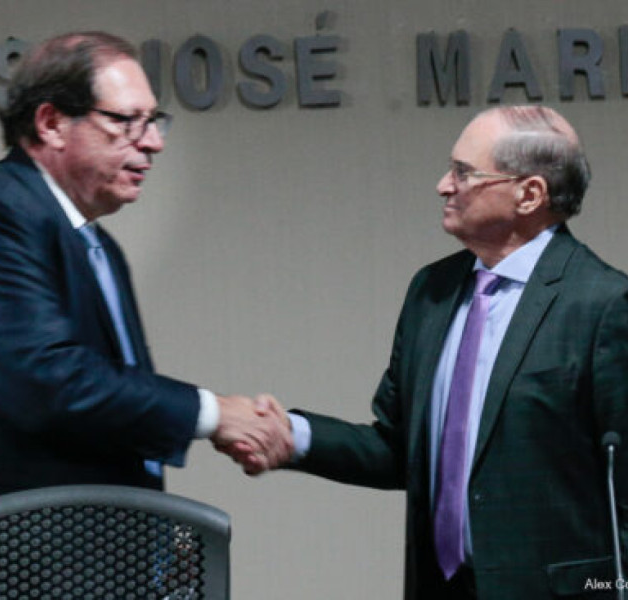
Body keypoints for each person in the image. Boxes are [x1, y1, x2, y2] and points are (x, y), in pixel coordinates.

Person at [0, 31, 291, 600]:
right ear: (51, 123)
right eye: (126, 121)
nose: (152, 143)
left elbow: (96, 418)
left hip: (23, 567)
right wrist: (213, 414)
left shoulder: (96, 246)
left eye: (154, 122)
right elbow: (49, 380)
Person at [228, 106, 628, 599]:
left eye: (464, 172)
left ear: (529, 194)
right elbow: (399, 450)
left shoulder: (603, 304)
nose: (443, 185)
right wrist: (293, 437)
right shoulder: (432, 291)